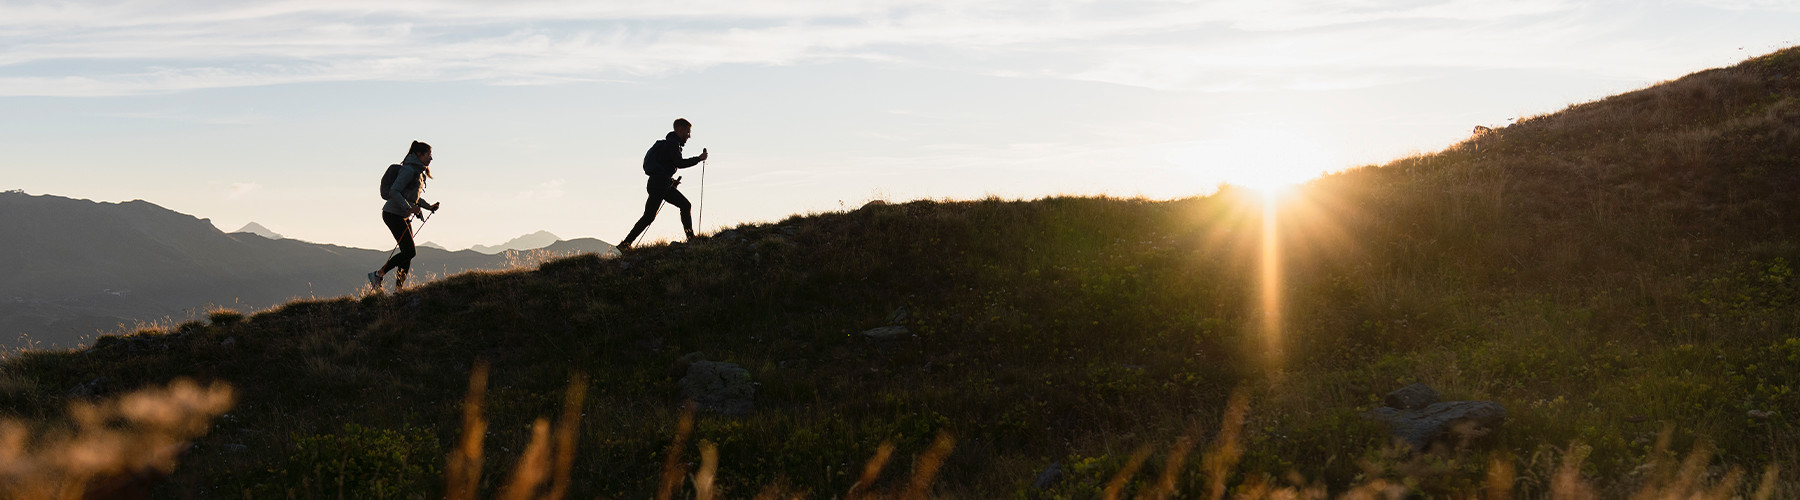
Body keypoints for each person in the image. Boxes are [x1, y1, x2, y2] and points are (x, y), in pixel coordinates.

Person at [619, 118, 708, 249]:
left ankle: (625, 244)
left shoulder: (670, 143)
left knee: (679, 206)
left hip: (660, 184)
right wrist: (699, 159)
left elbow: (664, 167)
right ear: (679, 130)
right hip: (660, 185)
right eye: (687, 132)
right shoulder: (673, 144)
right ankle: (625, 244)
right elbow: (679, 163)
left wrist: (671, 181)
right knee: (651, 215)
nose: (689, 136)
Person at [368, 141, 440, 292]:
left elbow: (412, 197)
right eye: (429, 155)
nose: (431, 159)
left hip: (402, 215)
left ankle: (398, 290)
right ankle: (378, 274)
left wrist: (428, 207)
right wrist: (409, 208)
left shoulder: (419, 172)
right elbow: (394, 191)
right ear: (419, 154)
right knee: (409, 251)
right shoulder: (409, 170)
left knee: (407, 253)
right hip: (393, 214)